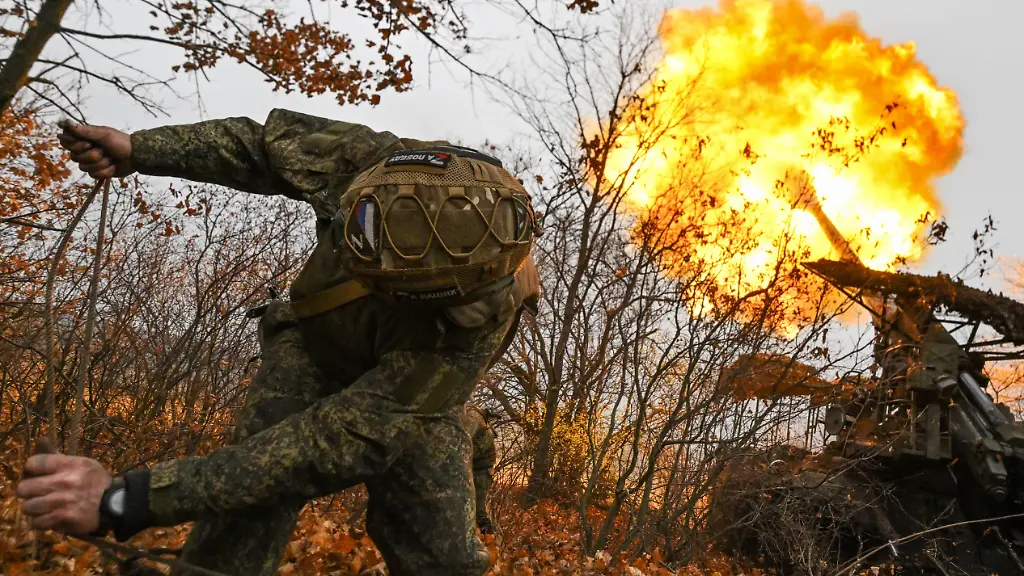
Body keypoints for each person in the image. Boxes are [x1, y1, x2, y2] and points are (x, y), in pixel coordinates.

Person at [16, 109, 541, 576]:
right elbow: (263, 147)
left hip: (407, 391)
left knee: (442, 557)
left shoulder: (473, 325)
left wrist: (123, 500)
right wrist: (142, 149)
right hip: (314, 346)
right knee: (245, 515)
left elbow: (334, 444)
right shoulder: (380, 166)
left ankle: (459, 428)